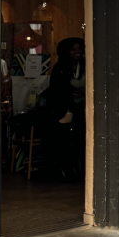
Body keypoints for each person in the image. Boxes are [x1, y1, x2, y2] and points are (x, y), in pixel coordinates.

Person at [43, 38, 86, 180]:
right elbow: (56, 89)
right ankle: (64, 169)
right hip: (63, 110)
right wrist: (70, 94)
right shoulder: (60, 67)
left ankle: (79, 170)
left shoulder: (86, 64)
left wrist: (84, 93)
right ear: (66, 51)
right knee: (64, 140)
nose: (77, 52)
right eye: (73, 49)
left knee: (81, 139)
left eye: (79, 48)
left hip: (83, 109)